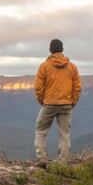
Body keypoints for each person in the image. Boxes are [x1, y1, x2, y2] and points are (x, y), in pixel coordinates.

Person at [34, 39, 81, 168]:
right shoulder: (72, 67)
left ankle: (42, 158)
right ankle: (63, 162)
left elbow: (38, 87)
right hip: (66, 104)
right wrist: (72, 102)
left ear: (50, 50)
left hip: (49, 103)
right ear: (62, 50)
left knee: (41, 130)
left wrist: (42, 101)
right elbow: (77, 87)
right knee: (64, 134)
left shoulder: (44, 66)